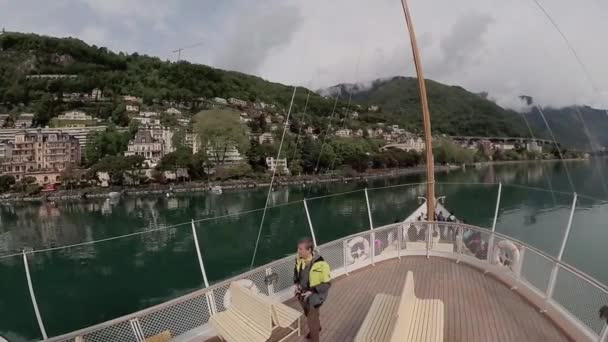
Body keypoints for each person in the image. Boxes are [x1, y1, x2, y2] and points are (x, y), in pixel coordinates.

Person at [293, 237, 331, 341]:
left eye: (301, 249)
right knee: (307, 312)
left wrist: (312, 291)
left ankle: (315, 334)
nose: (298, 251)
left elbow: (327, 284)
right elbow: (296, 272)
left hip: (315, 296)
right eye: (298, 248)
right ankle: (317, 327)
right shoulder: (298, 259)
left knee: (311, 318)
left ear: (309, 250)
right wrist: (296, 283)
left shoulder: (321, 264)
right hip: (302, 294)